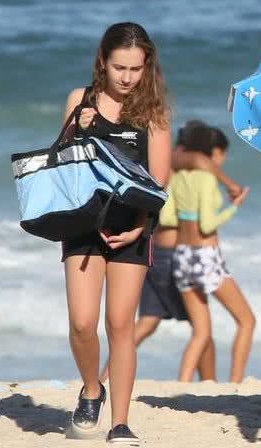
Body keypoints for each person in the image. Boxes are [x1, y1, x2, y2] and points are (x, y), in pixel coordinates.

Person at [60, 22, 171, 445]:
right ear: (102, 62)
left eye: (136, 69)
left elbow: (159, 180)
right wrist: (75, 128)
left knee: (120, 324)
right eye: (119, 67)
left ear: (147, 67)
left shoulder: (153, 112)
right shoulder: (79, 99)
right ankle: (92, 389)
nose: (127, 78)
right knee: (82, 323)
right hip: (83, 224)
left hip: (133, 227)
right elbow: (63, 167)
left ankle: (120, 422)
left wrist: (140, 227)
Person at [99, 120, 243, 383]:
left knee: (148, 322)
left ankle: (105, 377)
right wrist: (229, 187)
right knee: (202, 329)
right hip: (172, 255)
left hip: (153, 251)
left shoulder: (167, 167)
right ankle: (206, 384)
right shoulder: (179, 167)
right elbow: (199, 162)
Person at [167, 125, 256, 383]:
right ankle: (235, 383)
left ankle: (182, 384)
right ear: (211, 151)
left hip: (181, 255)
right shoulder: (206, 179)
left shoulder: (178, 176)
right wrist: (234, 207)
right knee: (246, 321)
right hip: (205, 256)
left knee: (201, 332)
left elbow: (168, 216)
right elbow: (207, 225)